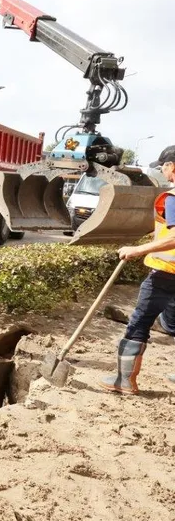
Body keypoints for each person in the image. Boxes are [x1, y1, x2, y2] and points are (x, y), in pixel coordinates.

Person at [100, 145, 175, 394]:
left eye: (163, 166)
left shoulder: (172, 197)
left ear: (171, 166)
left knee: (139, 323)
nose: (162, 171)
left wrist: (137, 250)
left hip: (165, 273)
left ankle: (124, 381)